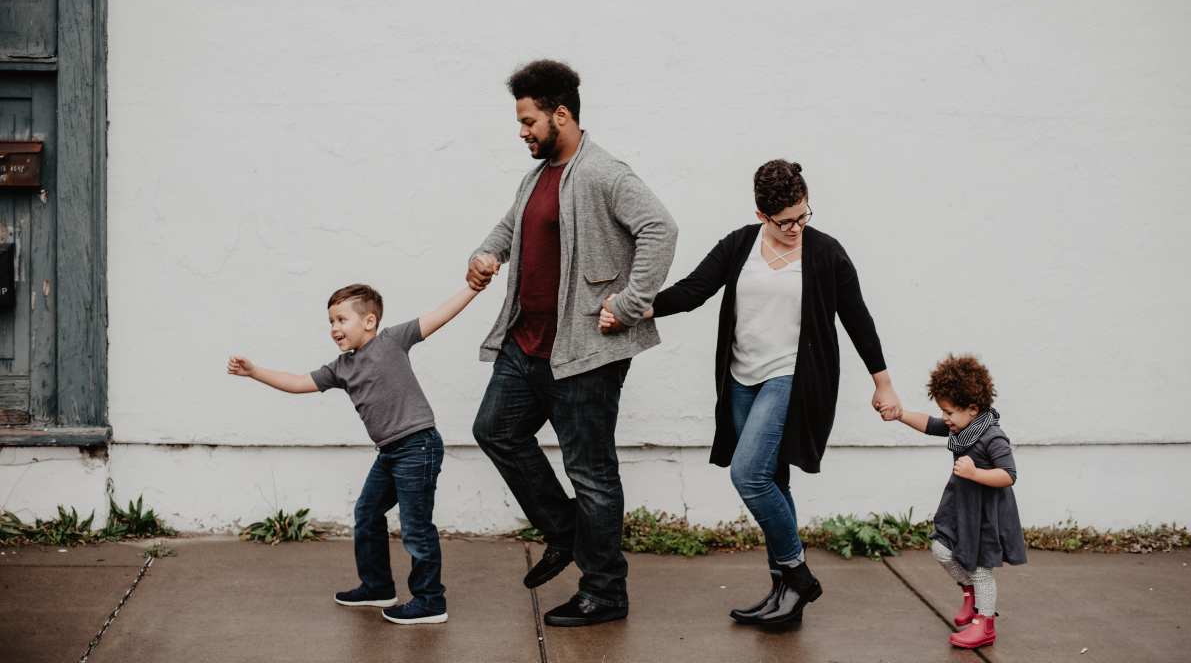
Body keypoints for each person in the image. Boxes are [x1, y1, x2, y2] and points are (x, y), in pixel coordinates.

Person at [600, 159, 902, 626]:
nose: (797, 228)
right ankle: (786, 596)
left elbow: (857, 318)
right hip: (741, 379)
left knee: (749, 476)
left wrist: (883, 383)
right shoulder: (741, 245)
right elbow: (693, 290)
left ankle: (798, 575)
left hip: (791, 378)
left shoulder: (826, 253)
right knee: (773, 482)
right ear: (762, 215)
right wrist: (632, 309)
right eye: (786, 222)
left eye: (804, 216)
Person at [467, 59, 677, 627]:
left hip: (583, 353)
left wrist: (630, 303)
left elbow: (661, 228)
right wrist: (486, 254)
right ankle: (565, 534)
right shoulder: (536, 176)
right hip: (526, 344)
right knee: (495, 431)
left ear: (562, 115)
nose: (522, 131)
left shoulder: (605, 173)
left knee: (592, 473)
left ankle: (605, 591)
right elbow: (511, 227)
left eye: (529, 120)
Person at [227, 282, 480, 624]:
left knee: (416, 527)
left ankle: (430, 600)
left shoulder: (393, 340)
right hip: (390, 452)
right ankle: (377, 586)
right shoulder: (341, 368)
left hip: (418, 446)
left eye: (341, 320)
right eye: (330, 322)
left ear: (369, 321)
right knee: (367, 512)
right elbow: (299, 381)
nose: (334, 329)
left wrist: (473, 288)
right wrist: (255, 372)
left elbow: (439, 315)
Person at [889, 353, 1026, 649]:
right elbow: (929, 424)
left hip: (984, 513)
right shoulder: (961, 428)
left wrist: (975, 472)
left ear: (973, 408)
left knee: (979, 568)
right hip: (960, 506)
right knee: (941, 548)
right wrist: (900, 414)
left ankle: (985, 624)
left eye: (949, 412)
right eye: (944, 411)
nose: (945, 418)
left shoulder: (992, 437)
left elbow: (1009, 475)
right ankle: (969, 592)